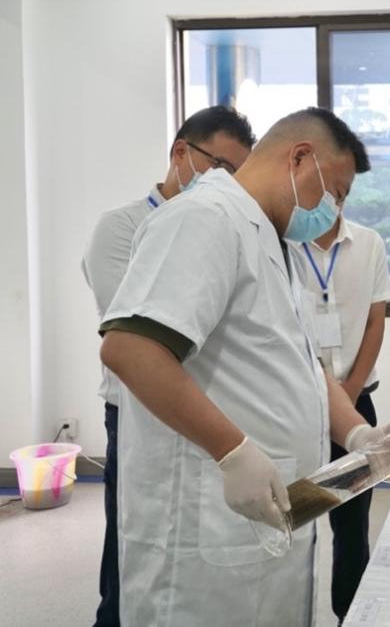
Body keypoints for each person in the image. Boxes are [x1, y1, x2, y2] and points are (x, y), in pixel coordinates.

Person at [98, 107, 390, 626]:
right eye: (335, 193)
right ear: (300, 159)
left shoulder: (277, 243)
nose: (334, 211)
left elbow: (306, 366)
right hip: (205, 536)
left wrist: (360, 436)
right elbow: (130, 348)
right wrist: (232, 451)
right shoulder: (204, 218)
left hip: (263, 526)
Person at [81, 105, 255, 627]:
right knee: (130, 543)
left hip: (196, 407)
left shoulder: (224, 228)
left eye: (237, 175)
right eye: (220, 167)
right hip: (135, 412)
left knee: (185, 545)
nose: (227, 184)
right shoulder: (120, 228)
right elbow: (138, 339)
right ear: (181, 152)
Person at [289, 200, 390, 622]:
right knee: (294, 515)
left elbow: (375, 323)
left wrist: (346, 398)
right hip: (295, 407)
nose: (331, 198)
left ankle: (349, 614)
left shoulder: (369, 244)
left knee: (352, 525)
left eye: (340, 190)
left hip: (355, 402)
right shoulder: (284, 246)